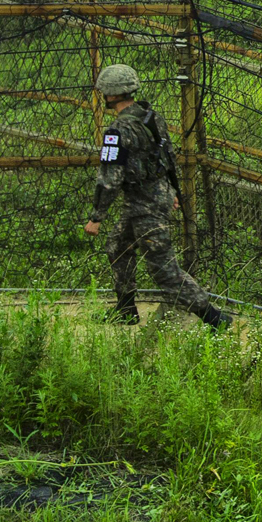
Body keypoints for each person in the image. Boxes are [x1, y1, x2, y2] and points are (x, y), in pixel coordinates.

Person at [82, 64, 231, 330]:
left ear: (111, 94)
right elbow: (168, 158)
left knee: (164, 270)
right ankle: (125, 308)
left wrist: (96, 217)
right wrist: (172, 191)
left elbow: (109, 178)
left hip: (145, 207)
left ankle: (214, 317)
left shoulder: (118, 131)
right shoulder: (152, 117)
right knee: (118, 246)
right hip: (149, 199)